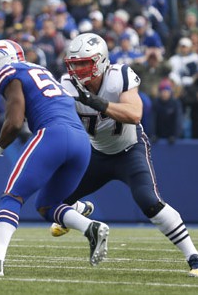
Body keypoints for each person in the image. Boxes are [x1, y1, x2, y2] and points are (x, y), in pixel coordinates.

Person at [52, 32, 198, 277]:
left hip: (129, 150)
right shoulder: (66, 85)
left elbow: (135, 114)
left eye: (83, 64)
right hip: (95, 153)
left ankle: (193, 256)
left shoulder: (118, 76)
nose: (77, 71)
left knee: (149, 202)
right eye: (73, 65)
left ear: (100, 61)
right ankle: (79, 208)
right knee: (52, 199)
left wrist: (99, 103)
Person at [0, 39, 109, 276]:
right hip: (81, 141)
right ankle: (90, 227)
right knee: (48, 205)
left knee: (12, 197)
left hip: (53, 134)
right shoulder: (40, 70)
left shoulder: (10, 72)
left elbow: (14, 122)